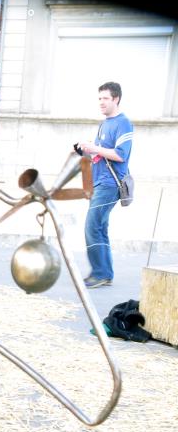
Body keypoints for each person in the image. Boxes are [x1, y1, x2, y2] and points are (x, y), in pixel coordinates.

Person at [76, 81, 133, 289]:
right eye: (99, 98)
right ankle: (105, 273)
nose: (101, 102)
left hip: (110, 184)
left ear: (116, 99)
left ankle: (99, 273)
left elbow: (120, 154)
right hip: (100, 182)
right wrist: (87, 150)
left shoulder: (123, 123)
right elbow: (100, 154)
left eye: (105, 98)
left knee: (92, 226)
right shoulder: (105, 123)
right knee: (100, 227)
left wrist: (95, 148)